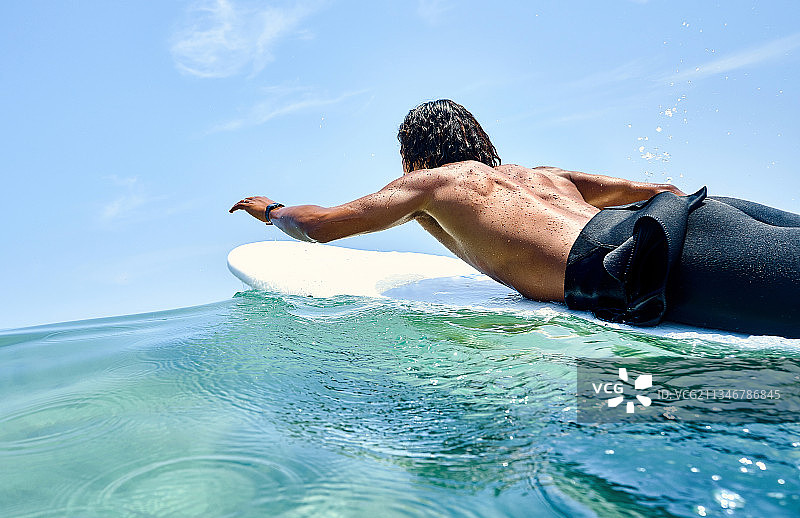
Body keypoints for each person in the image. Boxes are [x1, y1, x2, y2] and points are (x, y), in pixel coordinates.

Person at [230, 99, 800, 337]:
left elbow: (322, 225)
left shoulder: (433, 182)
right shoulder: (542, 174)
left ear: (413, 155)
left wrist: (273, 209)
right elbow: (656, 188)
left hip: (643, 262)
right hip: (693, 217)